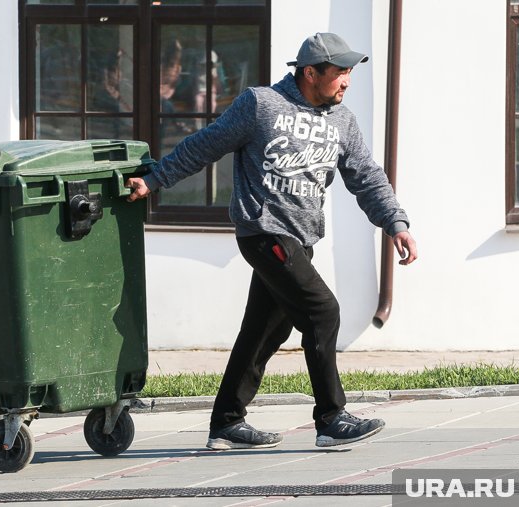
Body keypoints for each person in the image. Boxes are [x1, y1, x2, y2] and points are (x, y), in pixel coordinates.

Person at [126, 33, 418, 450]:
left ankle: (227, 423)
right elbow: (204, 146)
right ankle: (331, 417)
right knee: (323, 311)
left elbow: (367, 177)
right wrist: (155, 179)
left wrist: (396, 222)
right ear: (310, 72)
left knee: (264, 332)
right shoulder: (260, 105)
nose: (347, 82)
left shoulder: (342, 121)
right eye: (340, 73)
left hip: (301, 237)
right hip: (264, 232)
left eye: (350, 73)